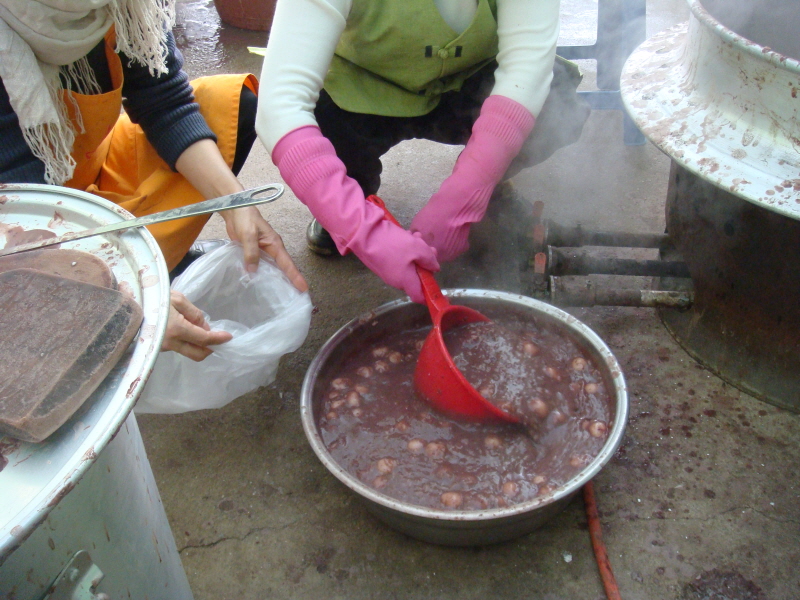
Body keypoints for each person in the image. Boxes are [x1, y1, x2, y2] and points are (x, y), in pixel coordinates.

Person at [0, 0, 307, 361]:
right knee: (61, 330)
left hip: (91, 163)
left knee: (227, 104)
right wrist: (124, 302)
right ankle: (125, 284)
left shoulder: (125, 5)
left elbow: (165, 102)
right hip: (20, 222)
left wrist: (236, 205)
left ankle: (159, 264)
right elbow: (18, 209)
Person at [256, 0, 588, 303]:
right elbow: (280, 105)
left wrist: (471, 187)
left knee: (555, 103)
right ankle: (351, 194)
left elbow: (527, 67)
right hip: (363, 86)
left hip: (472, 79)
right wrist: (356, 224)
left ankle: (489, 190)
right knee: (321, 126)